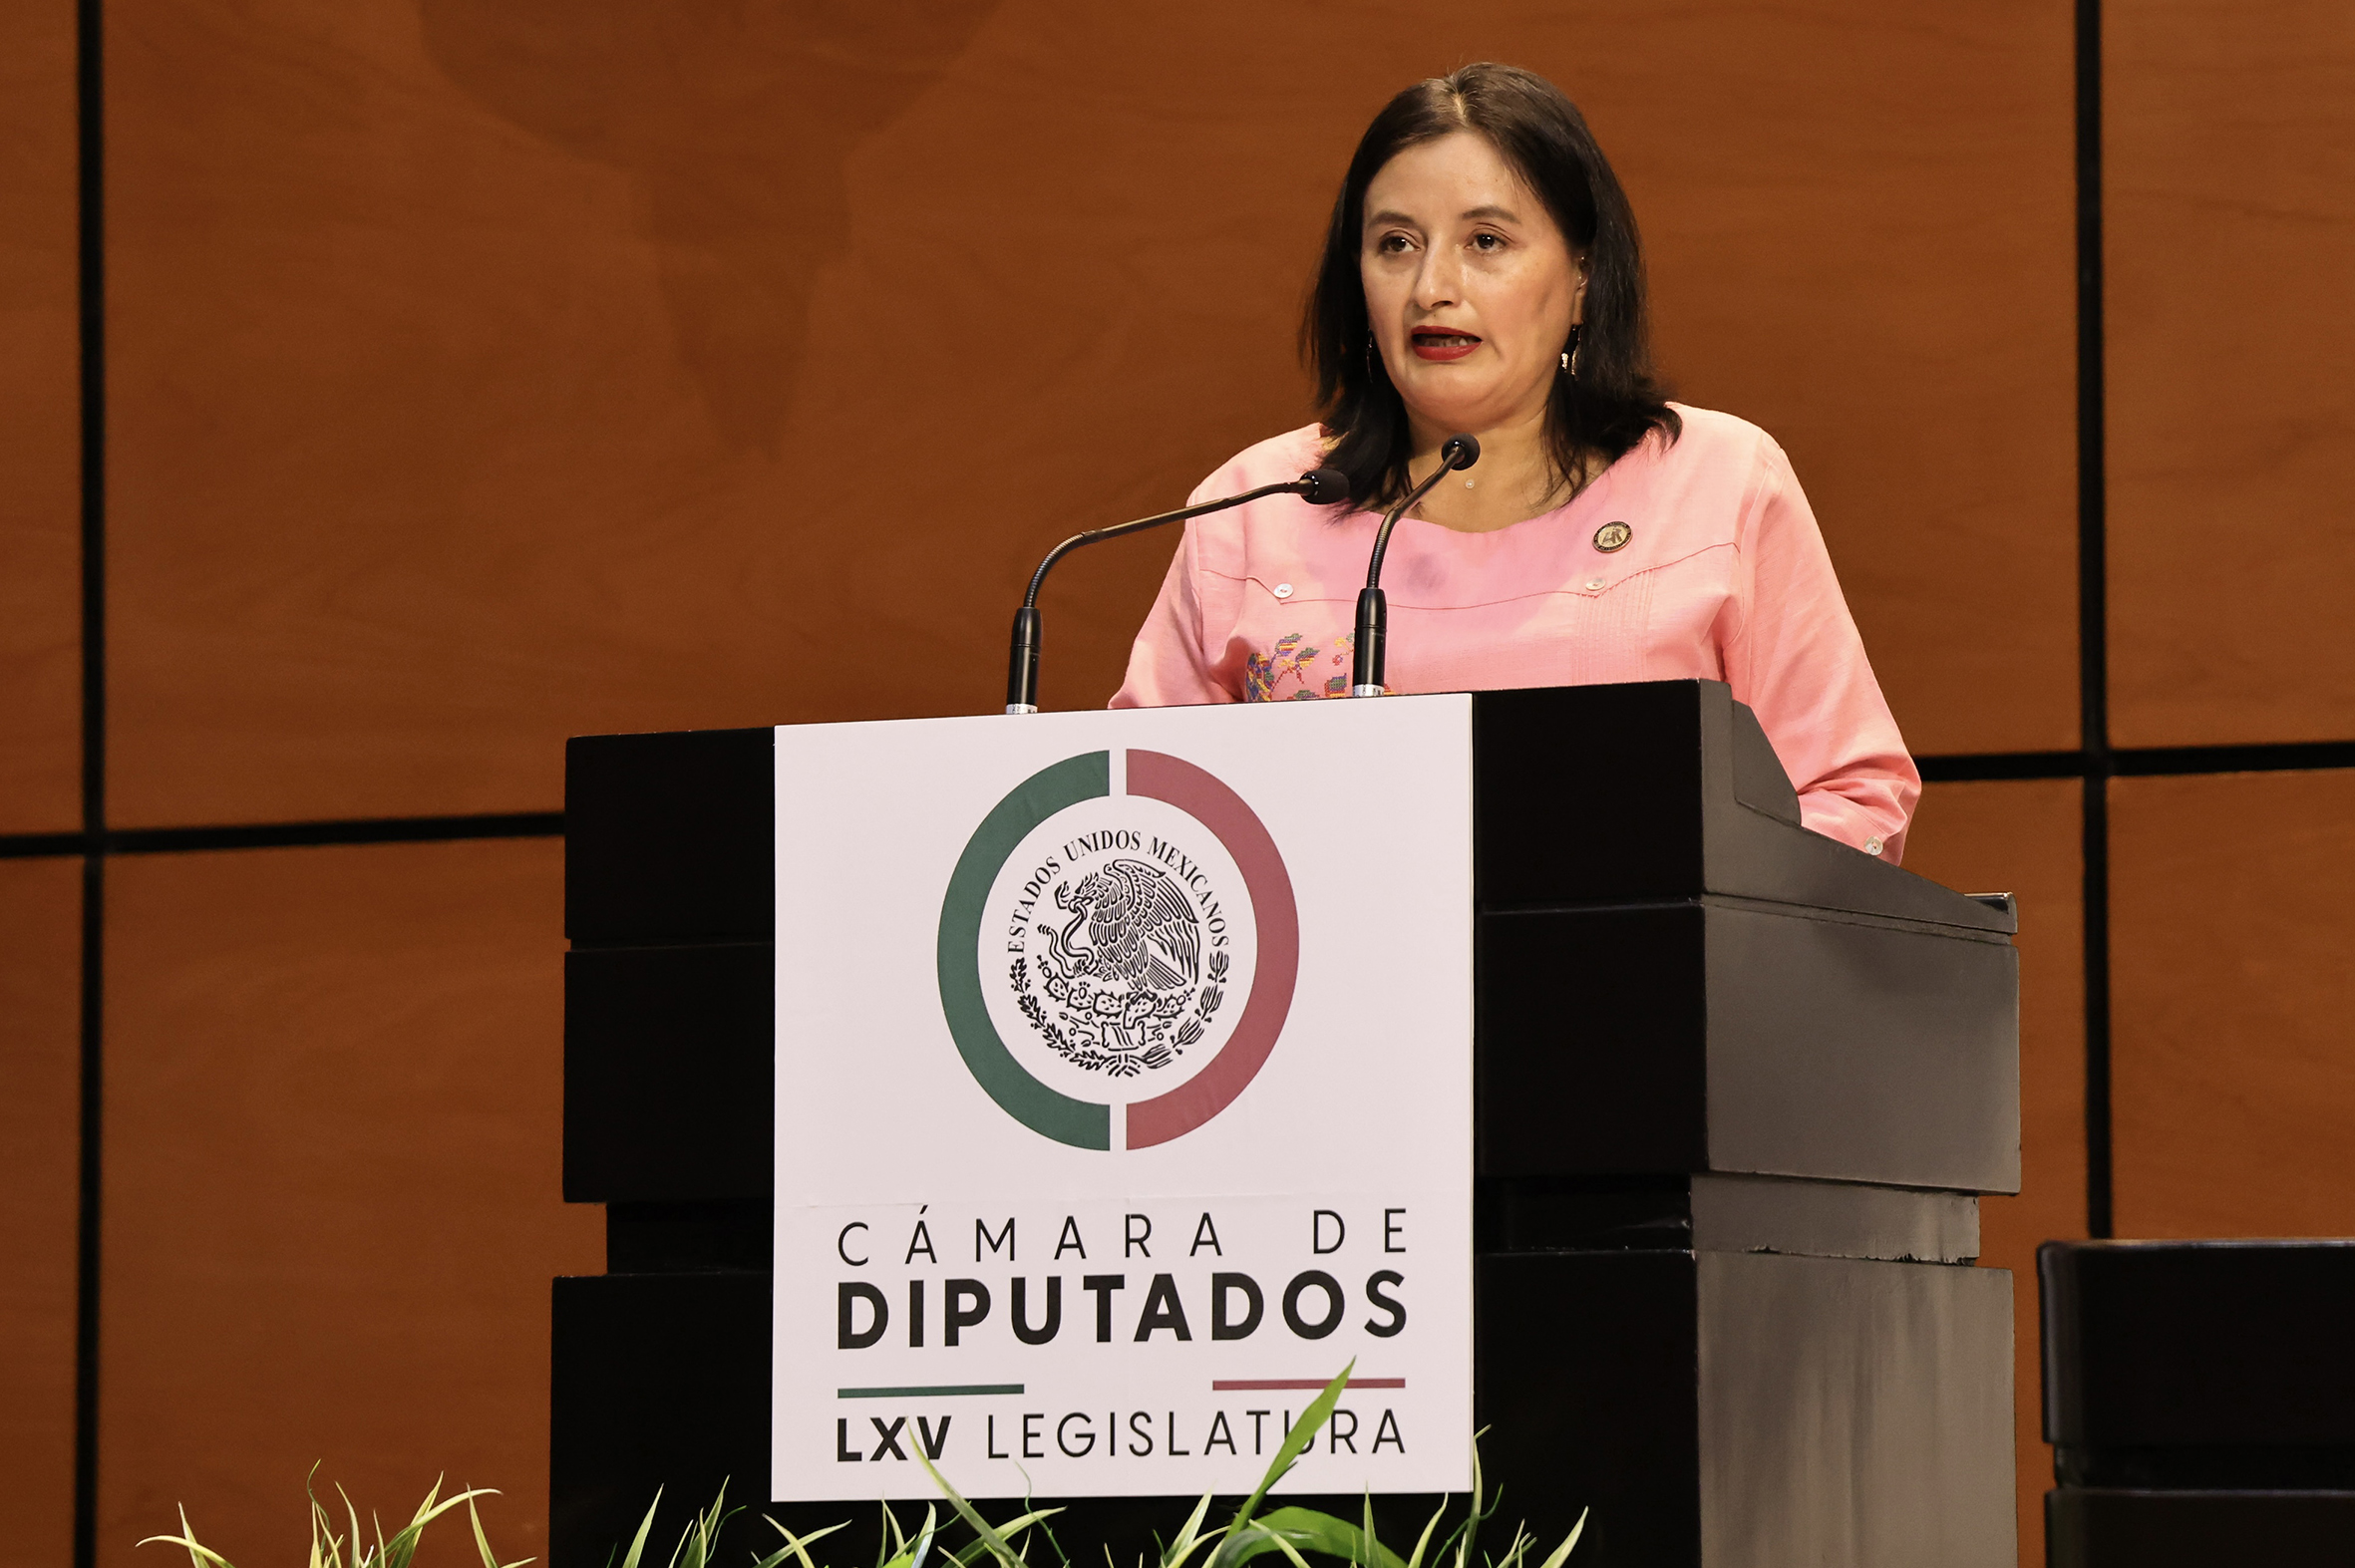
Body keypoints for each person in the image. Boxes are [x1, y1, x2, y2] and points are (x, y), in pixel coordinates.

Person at [1111, 63, 1918, 861]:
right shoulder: (1256, 506)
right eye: (1396, 244)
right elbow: (1138, 823)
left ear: (1582, 278)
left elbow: (1853, 798)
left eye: (1486, 241)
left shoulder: (1718, 481)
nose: (1431, 286)